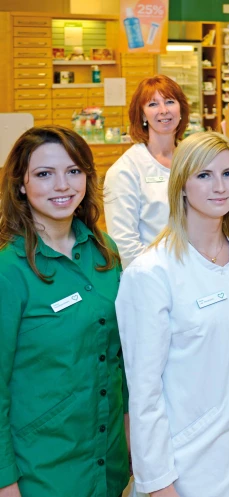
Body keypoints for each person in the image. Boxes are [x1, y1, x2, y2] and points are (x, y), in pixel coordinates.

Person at [116, 132, 229, 496]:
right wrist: (158, 483)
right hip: (189, 462)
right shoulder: (152, 273)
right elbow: (144, 393)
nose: (219, 187)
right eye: (204, 175)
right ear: (181, 185)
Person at [0, 126, 129, 497]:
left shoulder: (104, 251)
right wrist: (5, 481)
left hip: (106, 464)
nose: (63, 185)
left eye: (74, 171)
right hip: (41, 473)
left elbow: (121, 356)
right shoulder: (9, 270)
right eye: (44, 174)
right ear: (20, 184)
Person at [104, 74, 190, 267]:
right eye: (152, 105)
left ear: (181, 109)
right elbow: (125, 245)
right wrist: (166, 274)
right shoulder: (125, 171)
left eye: (169, 101)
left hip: (195, 267)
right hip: (153, 276)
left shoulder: (193, 159)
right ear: (142, 115)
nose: (163, 110)